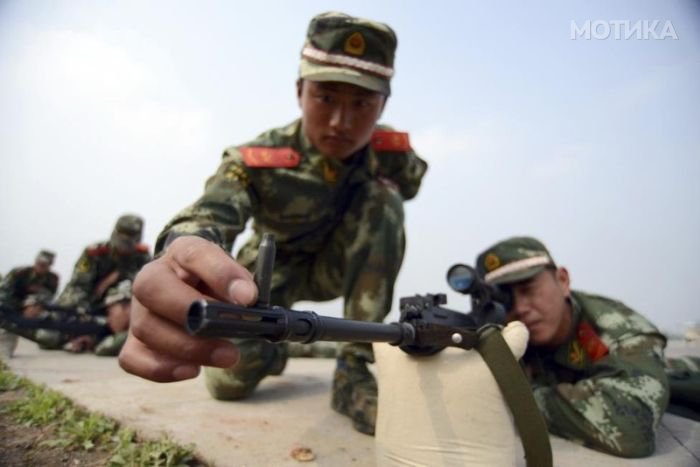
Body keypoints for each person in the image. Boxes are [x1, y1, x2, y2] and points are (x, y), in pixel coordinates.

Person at [119, 11, 427, 435]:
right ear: (300, 91)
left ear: (383, 105)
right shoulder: (259, 158)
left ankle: (354, 367)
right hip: (266, 278)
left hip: (335, 268)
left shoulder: (390, 153)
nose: (342, 121)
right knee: (227, 381)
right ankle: (272, 352)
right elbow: (212, 209)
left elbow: (409, 184)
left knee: (385, 199)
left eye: (361, 104)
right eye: (325, 98)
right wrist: (181, 251)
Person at [475, 236, 669, 458]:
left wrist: (518, 402)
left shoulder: (617, 328)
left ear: (563, 281)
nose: (520, 308)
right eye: (505, 298)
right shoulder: (505, 329)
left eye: (528, 289)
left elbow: (631, 429)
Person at [49, 214, 151, 355]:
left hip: (119, 302)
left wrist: (119, 277)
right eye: (121, 241)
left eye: (130, 242)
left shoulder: (142, 256)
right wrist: (82, 309)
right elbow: (79, 285)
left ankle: (102, 337)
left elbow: (145, 285)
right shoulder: (93, 253)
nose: (124, 246)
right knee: (49, 337)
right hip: (88, 301)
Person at [0, 250, 59, 358]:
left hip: (34, 312)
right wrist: (22, 306)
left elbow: (47, 297)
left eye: (45, 265)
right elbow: (4, 293)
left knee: (50, 335)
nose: (41, 267)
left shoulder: (52, 279)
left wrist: (35, 306)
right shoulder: (19, 273)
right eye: (39, 263)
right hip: (11, 308)